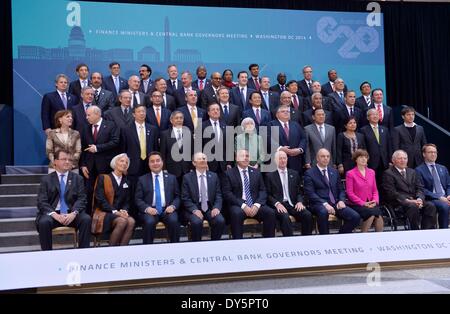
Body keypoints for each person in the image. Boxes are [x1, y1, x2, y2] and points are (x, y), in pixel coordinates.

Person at [36, 150, 91, 250]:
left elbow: (82, 199)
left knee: (86, 219)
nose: (67, 162)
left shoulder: (78, 179)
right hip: (54, 214)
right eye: (64, 159)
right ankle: (46, 254)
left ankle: (84, 253)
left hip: (71, 214)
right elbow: (42, 201)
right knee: (44, 222)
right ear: (55, 162)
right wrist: (54, 215)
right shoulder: (46, 180)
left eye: (69, 159)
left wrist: (73, 213)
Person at [303, 148, 360, 234]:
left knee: (355, 217)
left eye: (328, 156)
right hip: (318, 204)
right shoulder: (310, 173)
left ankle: (338, 238)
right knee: (323, 212)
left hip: (335, 203)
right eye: (323, 156)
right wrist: (325, 204)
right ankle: (325, 239)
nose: (326, 158)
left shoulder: (334, 172)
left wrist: (341, 200)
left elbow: (341, 190)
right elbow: (310, 193)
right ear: (317, 158)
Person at [222, 149, 276, 239]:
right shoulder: (228, 174)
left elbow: (263, 191)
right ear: (236, 158)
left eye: (247, 156)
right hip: (238, 205)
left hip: (255, 204)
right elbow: (227, 194)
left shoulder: (256, 172)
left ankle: (268, 243)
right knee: (236, 214)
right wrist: (243, 206)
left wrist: (257, 205)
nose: (245, 158)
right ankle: (238, 244)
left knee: (270, 213)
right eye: (242, 156)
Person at [383, 150, 437, 230]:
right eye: (400, 158)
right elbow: (391, 192)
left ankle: (426, 232)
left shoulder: (412, 172)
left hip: (415, 200)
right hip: (399, 203)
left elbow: (420, 188)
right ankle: (415, 231)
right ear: (393, 160)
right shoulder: (388, 173)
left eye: (405, 158)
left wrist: (419, 199)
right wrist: (408, 200)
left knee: (430, 206)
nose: (403, 161)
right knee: (413, 206)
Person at [135, 152, 180, 244]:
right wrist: (147, 208)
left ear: (162, 162)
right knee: (149, 222)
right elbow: (138, 199)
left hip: (167, 209)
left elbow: (178, 197)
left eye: (157, 161)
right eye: (152, 161)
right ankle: (148, 249)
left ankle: (175, 248)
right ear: (148, 164)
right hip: (150, 210)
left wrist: (173, 206)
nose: (155, 163)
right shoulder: (142, 179)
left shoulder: (172, 178)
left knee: (174, 220)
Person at [265, 151, 313, 236]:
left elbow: (300, 192)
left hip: (293, 204)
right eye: (280, 158)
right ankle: (289, 243)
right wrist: (276, 204)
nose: (283, 160)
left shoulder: (294, 174)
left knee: (307, 215)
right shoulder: (270, 176)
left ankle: (306, 241)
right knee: (285, 217)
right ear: (275, 161)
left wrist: (299, 202)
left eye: (284, 158)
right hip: (280, 204)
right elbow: (268, 195)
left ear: (287, 160)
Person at [182, 152, 226, 241]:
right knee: (196, 222)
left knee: (220, 221)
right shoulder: (187, 177)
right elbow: (185, 198)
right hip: (195, 208)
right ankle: (197, 247)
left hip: (210, 208)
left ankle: (214, 244)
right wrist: (194, 210)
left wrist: (217, 208)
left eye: (204, 158)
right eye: (200, 159)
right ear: (194, 163)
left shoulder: (214, 176)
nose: (203, 160)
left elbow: (218, 195)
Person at [94, 153, 135, 245]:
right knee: (122, 221)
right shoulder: (103, 178)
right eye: (121, 161)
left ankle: (122, 252)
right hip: (105, 213)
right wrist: (115, 211)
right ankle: (112, 251)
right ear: (115, 163)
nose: (124, 164)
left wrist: (124, 211)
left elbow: (127, 201)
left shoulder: (127, 181)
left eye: (126, 162)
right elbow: (100, 199)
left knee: (131, 221)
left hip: (120, 213)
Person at [345, 149, 383, 232]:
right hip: (357, 204)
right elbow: (350, 193)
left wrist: (375, 201)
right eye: (361, 157)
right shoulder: (350, 173)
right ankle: (363, 236)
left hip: (371, 203)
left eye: (365, 157)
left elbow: (375, 190)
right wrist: (363, 203)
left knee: (378, 215)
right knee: (372, 214)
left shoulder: (371, 172)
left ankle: (379, 240)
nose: (364, 159)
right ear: (356, 159)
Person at [416, 144, 450, 229]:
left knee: (445, 203)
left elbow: (449, 185)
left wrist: (449, 195)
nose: (433, 154)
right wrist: (439, 197)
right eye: (430, 152)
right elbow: (422, 189)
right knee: (444, 206)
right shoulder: (419, 170)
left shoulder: (443, 168)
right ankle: (444, 231)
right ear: (424, 154)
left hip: (446, 197)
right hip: (431, 198)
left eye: (435, 152)